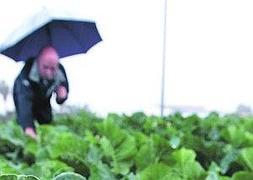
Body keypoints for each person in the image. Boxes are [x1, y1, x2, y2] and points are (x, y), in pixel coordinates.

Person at [13, 46, 69, 138]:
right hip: (23, 94)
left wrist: (62, 96)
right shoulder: (27, 72)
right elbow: (24, 103)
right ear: (38, 61)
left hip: (43, 98)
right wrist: (28, 128)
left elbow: (61, 98)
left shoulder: (60, 72)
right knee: (25, 125)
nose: (48, 72)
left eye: (52, 69)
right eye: (45, 67)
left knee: (46, 120)